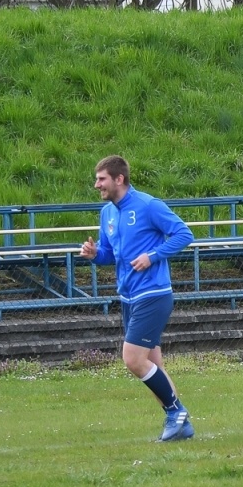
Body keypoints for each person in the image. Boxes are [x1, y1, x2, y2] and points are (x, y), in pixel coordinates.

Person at [78, 155, 197, 443]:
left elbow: (184, 234)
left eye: (102, 179)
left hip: (153, 294)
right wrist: (95, 256)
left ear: (119, 179)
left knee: (132, 359)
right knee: (154, 365)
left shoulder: (147, 205)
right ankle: (182, 426)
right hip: (128, 296)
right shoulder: (107, 213)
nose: (97, 185)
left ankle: (175, 412)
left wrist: (153, 256)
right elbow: (110, 254)